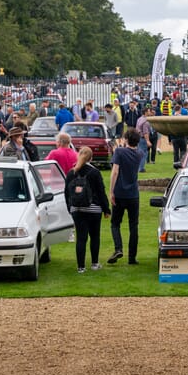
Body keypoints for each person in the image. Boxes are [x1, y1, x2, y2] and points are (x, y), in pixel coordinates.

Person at [65, 146, 111, 273]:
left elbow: (66, 193)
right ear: (91, 158)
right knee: (94, 236)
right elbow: (101, 192)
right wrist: (106, 209)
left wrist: (70, 208)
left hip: (77, 209)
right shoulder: (95, 172)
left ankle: (81, 267)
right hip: (94, 209)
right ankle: (94, 263)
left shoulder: (71, 173)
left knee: (81, 238)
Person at [108, 128, 144, 265]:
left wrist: (111, 191)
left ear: (126, 139)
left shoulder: (119, 152)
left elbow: (115, 171)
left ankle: (118, 248)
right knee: (133, 226)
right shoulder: (139, 153)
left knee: (115, 223)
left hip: (119, 193)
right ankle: (132, 258)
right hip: (133, 194)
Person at [135, 106, 153, 172]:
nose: (150, 112)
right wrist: (147, 141)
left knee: (139, 153)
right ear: (146, 112)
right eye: (149, 111)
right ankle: (141, 168)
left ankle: (138, 167)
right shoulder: (145, 121)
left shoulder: (139, 119)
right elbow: (146, 132)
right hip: (143, 138)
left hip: (138, 137)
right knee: (144, 153)